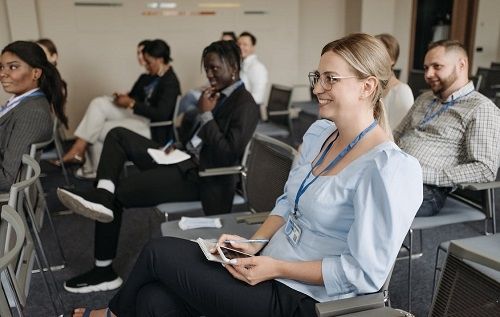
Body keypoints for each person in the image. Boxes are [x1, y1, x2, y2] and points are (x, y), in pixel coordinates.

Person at [70, 33, 423, 317]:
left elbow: (363, 274)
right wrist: (254, 242)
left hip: (302, 298)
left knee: (157, 253)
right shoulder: (320, 135)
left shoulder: (389, 169)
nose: (317, 88)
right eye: (318, 77)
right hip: (267, 265)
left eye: (331, 79)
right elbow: (288, 202)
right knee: (151, 301)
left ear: (367, 87)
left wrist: (276, 268)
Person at [57, 40, 260, 294]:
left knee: (118, 196)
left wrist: (206, 115)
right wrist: (195, 115)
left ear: (234, 66)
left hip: (202, 177)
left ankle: (103, 270)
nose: (209, 74)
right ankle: (103, 192)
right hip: (181, 157)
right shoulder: (215, 95)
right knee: (119, 134)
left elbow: (227, 154)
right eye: (206, 69)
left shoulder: (245, 104)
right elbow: (191, 136)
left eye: (214, 68)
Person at [394, 39, 500, 217]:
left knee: (362, 201)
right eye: (426, 67)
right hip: (394, 172)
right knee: (344, 186)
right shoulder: (425, 98)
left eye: (437, 66)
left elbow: (485, 169)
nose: (428, 74)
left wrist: (428, 175)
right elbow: (396, 134)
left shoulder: (480, 108)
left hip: (426, 188)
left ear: (461, 65)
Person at [55, 39, 180, 178]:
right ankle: (79, 152)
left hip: (153, 126)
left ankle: (92, 167)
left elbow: (162, 114)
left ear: (160, 60)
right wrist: (123, 98)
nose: (146, 65)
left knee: (99, 128)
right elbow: (134, 96)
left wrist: (132, 104)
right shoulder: (146, 77)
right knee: (99, 103)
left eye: (149, 62)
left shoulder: (170, 82)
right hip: (137, 116)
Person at [0, 41, 67, 191]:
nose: (2, 74)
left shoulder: (32, 113)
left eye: (13, 67)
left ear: (35, 73)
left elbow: (6, 179)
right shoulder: (21, 103)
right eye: (1, 67)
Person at [375, 33, 414, 129]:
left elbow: (401, 131)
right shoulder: (367, 86)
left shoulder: (402, 91)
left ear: (392, 59)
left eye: (378, 54)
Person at [238, 31, 268, 105]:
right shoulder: (242, 65)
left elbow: (258, 97)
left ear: (253, 47)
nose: (241, 47)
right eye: (239, 44)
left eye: (245, 44)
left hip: (250, 111)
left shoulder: (257, 67)